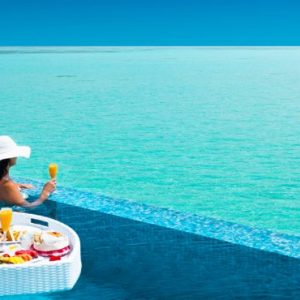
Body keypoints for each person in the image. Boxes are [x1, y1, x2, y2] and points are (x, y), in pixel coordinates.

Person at [0, 136, 56, 208]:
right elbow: (29, 207)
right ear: (9, 158)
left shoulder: (4, 180)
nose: (16, 157)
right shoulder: (8, 184)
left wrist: (17, 185)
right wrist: (45, 192)